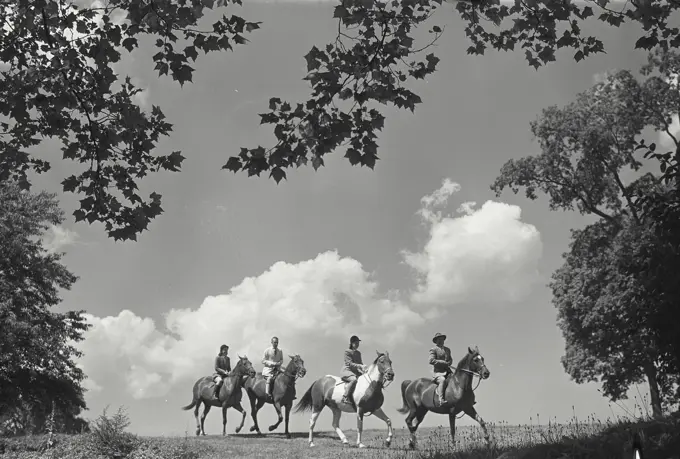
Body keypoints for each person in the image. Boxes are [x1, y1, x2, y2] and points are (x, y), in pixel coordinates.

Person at [341, 335, 366, 405]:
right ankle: (345, 397)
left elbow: (360, 364)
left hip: (356, 372)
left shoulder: (358, 353)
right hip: (347, 371)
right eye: (356, 343)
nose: (357, 345)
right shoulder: (347, 352)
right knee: (354, 380)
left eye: (358, 343)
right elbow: (350, 364)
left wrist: (364, 370)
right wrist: (360, 366)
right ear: (352, 343)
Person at [429, 332, 452, 406]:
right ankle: (441, 400)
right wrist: (442, 362)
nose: (441, 341)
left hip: (448, 371)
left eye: (442, 339)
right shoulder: (433, 349)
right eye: (439, 339)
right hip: (438, 372)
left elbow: (450, 359)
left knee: (459, 379)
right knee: (442, 380)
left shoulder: (448, 350)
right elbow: (431, 360)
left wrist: (449, 362)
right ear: (436, 341)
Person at [262, 336, 284, 401]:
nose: (276, 344)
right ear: (271, 342)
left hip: (277, 368)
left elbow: (281, 359)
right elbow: (263, 360)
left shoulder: (280, 350)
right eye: (274, 342)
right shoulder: (267, 350)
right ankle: (267, 393)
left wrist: (279, 363)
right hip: (269, 370)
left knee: (286, 375)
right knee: (269, 379)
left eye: (277, 342)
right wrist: (272, 363)